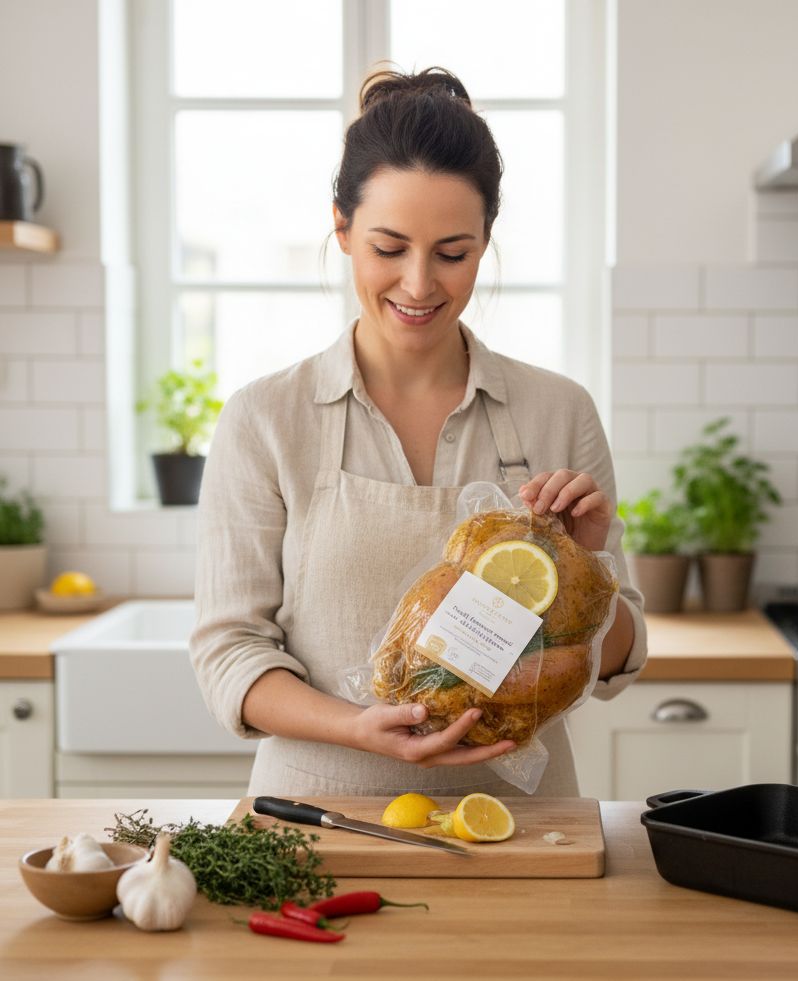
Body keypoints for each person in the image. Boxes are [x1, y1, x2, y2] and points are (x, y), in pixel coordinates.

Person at [189, 67, 648, 798]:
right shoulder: (265, 419)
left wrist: (591, 571)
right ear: (341, 229)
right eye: (388, 247)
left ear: (486, 240)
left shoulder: (558, 411)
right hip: (318, 819)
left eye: (453, 253)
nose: (418, 283)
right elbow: (228, 652)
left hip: (522, 828)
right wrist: (353, 727)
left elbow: (619, 661)